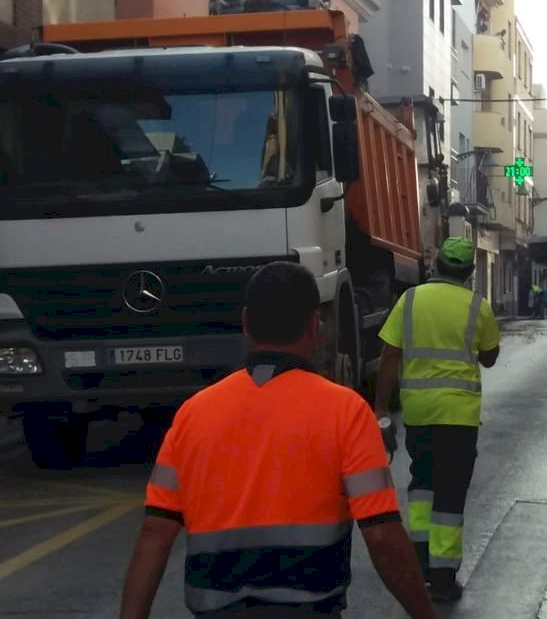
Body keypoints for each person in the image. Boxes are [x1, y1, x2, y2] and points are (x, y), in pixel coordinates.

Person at [119, 262, 437, 619]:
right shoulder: (346, 411)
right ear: (315, 326)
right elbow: (381, 537)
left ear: (245, 322)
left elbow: (155, 531)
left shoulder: (193, 414)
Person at [373, 237, 501, 603]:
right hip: (459, 416)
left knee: (422, 484)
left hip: (419, 413)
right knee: (450, 492)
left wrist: (381, 407)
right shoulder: (478, 306)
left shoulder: (410, 299)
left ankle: (420, 563)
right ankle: (443, 579)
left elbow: (390, 355)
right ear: (470, 272)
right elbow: (490, 357)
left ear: (437, 265)